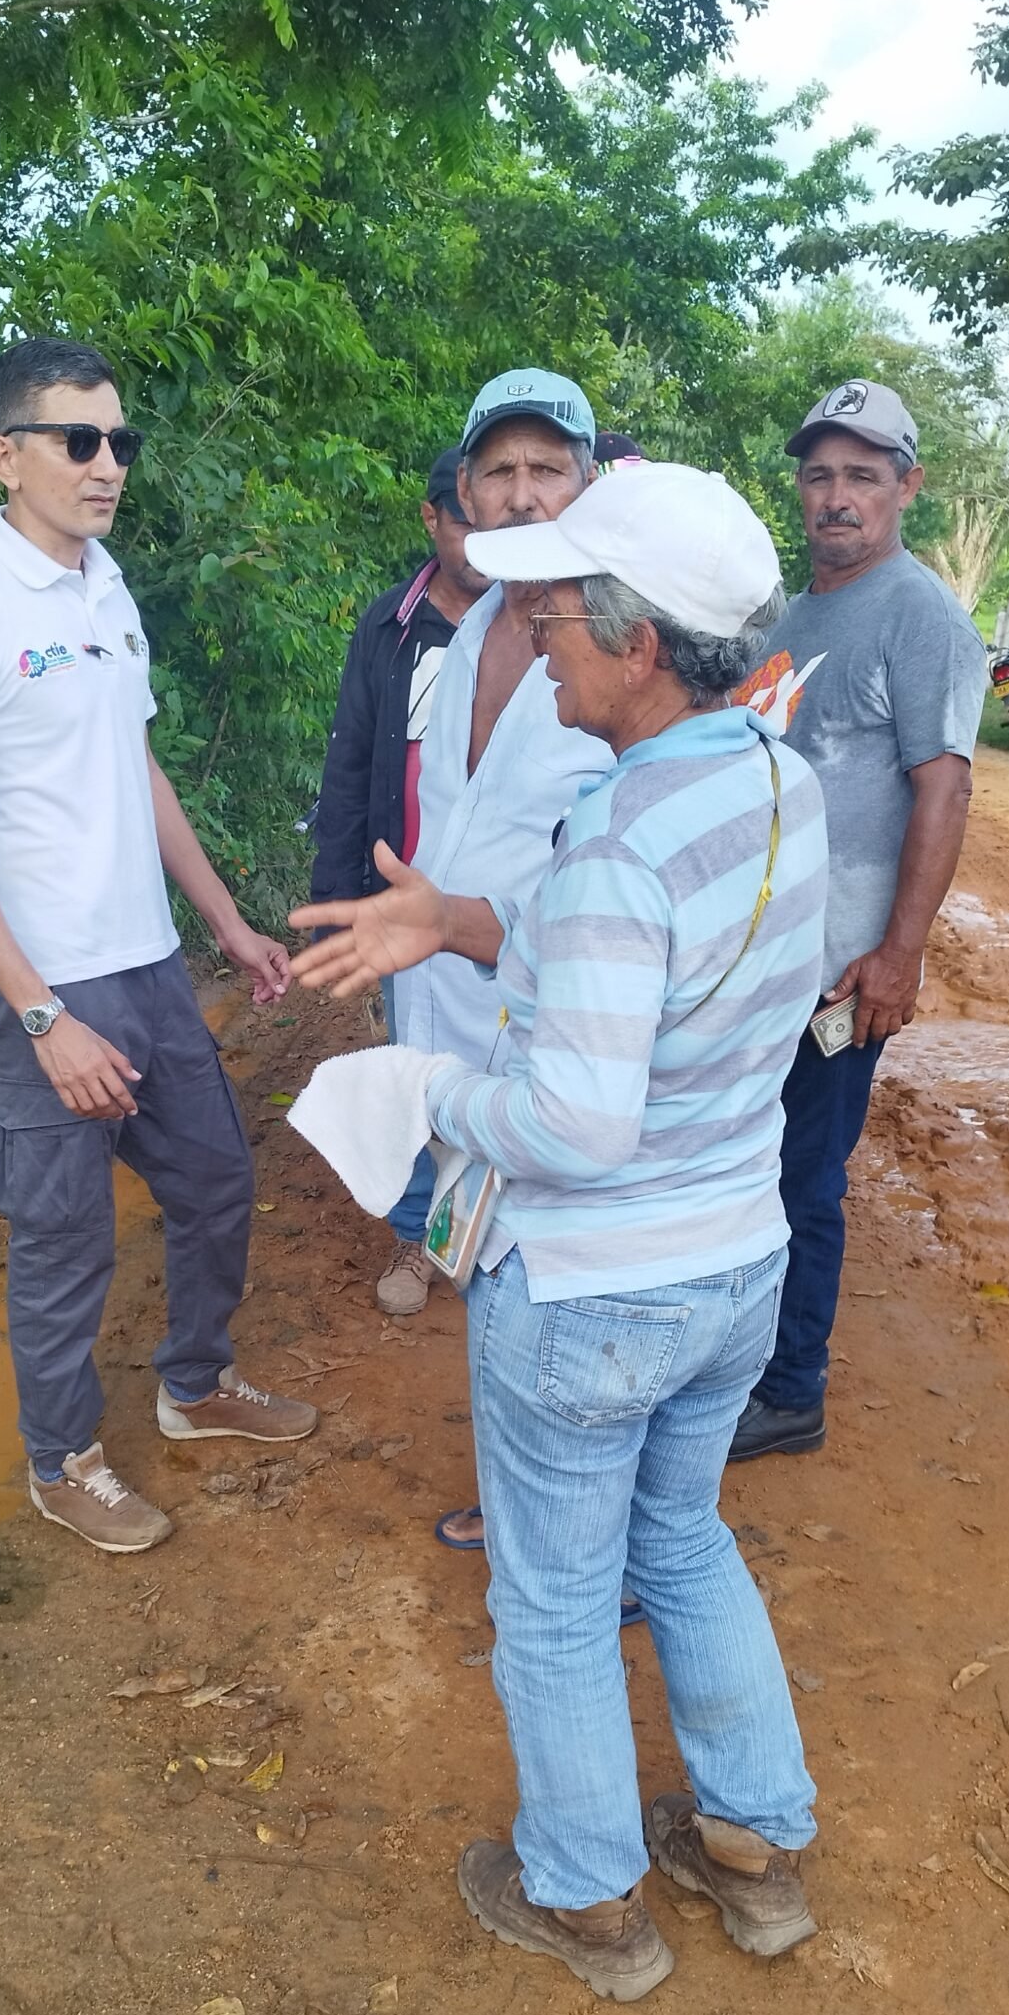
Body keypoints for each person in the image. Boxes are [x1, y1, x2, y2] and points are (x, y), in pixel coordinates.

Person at [290, 463, 830, 2003]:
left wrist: (438, 1090)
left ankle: (589, 1897)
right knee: (685, 1533)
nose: (533, 648)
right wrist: (461, 920)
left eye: (550, 621)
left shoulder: (608, 849)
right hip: (733, 1265)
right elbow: (673, 957)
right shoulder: (772, 783)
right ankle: (751, 1846)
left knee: (550, 1591)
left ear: (639, 643)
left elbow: (576, 1116)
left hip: (593, 1288)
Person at [0, 336, 315, 1557]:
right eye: (79, 440)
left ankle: (194, 1385)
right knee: (66, 1239)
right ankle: (61, 1460)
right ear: (5, 453)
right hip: (42, 987)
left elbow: (136, 768)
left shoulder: (104, 584)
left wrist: (226, 925)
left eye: (119, 440)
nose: (106, 463)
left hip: (143, 964)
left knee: (215, 1181)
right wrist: (40, 1014)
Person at [727, 379, 984, 1464]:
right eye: (820, 474)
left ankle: (790, 1390)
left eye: (862, 477)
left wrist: (898, 955)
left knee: (804, 1177)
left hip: (839, 972)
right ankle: (743, 1362)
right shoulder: (798, 613)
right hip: (765, 958)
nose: (836, 496)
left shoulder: (920, 615)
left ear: (905, 488)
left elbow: (944, 787)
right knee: (749, 1165)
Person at [372, 368, 619, 1323]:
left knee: (543, 1256)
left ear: (586, 485)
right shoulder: (468, 627)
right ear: (463, 496)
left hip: (546, 994)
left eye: (548, 468)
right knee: (447, 1155)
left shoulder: (624, 644)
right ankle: (439, 1255)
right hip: (436, 978)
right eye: (500, 470)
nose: (522, 493)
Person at [309, 451, 487, 910]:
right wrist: (337, 902)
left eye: (494, 529)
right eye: (467, 527)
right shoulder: (390, 624)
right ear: (431, 518)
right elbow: (350, 765)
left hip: (494, 909)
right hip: (399, 902)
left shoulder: (535, 627)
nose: (483, 545)